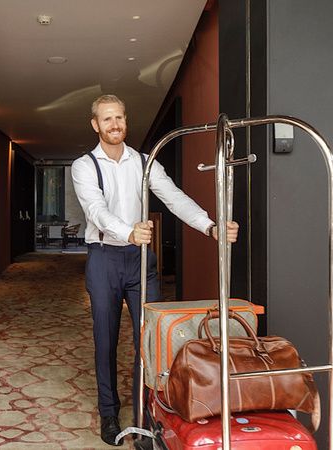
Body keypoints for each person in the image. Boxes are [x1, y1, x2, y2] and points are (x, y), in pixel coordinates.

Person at [71, 94, 239, 446]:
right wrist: (128, 230)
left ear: (126, 121)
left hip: (139, 261)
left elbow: (174, 197)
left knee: (150, 341)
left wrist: (210, 226)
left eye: (119, 118)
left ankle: (149, 413)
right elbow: (96, 210)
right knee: (106, 339)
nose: (114, 125)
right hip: (104, 258)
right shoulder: (84, 165)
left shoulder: (145, 162)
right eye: (107, 119)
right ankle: (108, 412)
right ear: (95, 125)